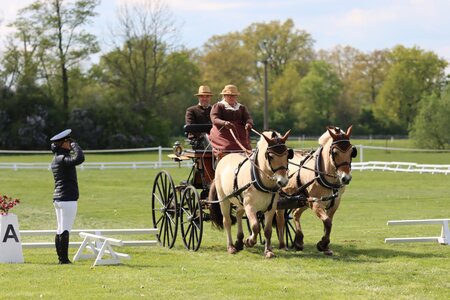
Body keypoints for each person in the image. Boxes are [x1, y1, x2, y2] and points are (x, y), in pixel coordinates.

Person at [50, 129, 85, 264]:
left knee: (60, 229)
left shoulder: (57, 159)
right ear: (62, 144)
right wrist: (75, 145)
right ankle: (63, 259)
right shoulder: (62, 158)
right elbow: (80, 158)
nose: (70, 143)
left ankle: (61, 258)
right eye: (68, 141)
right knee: (64, 229)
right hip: (67, 198)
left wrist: (70, 145)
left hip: (59, 198)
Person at [209, 84, 254, 159]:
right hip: (223, 133)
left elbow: (248, 117)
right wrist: (224, 123)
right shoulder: (218, 106)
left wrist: (249, 123)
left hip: (240, 135)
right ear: (224, 96)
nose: (231, 97)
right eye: (229, 95)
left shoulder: (242, 107)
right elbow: (214, 118)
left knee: (246, 147)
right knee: (227, 146)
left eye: (233, 96)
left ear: (236, 96)